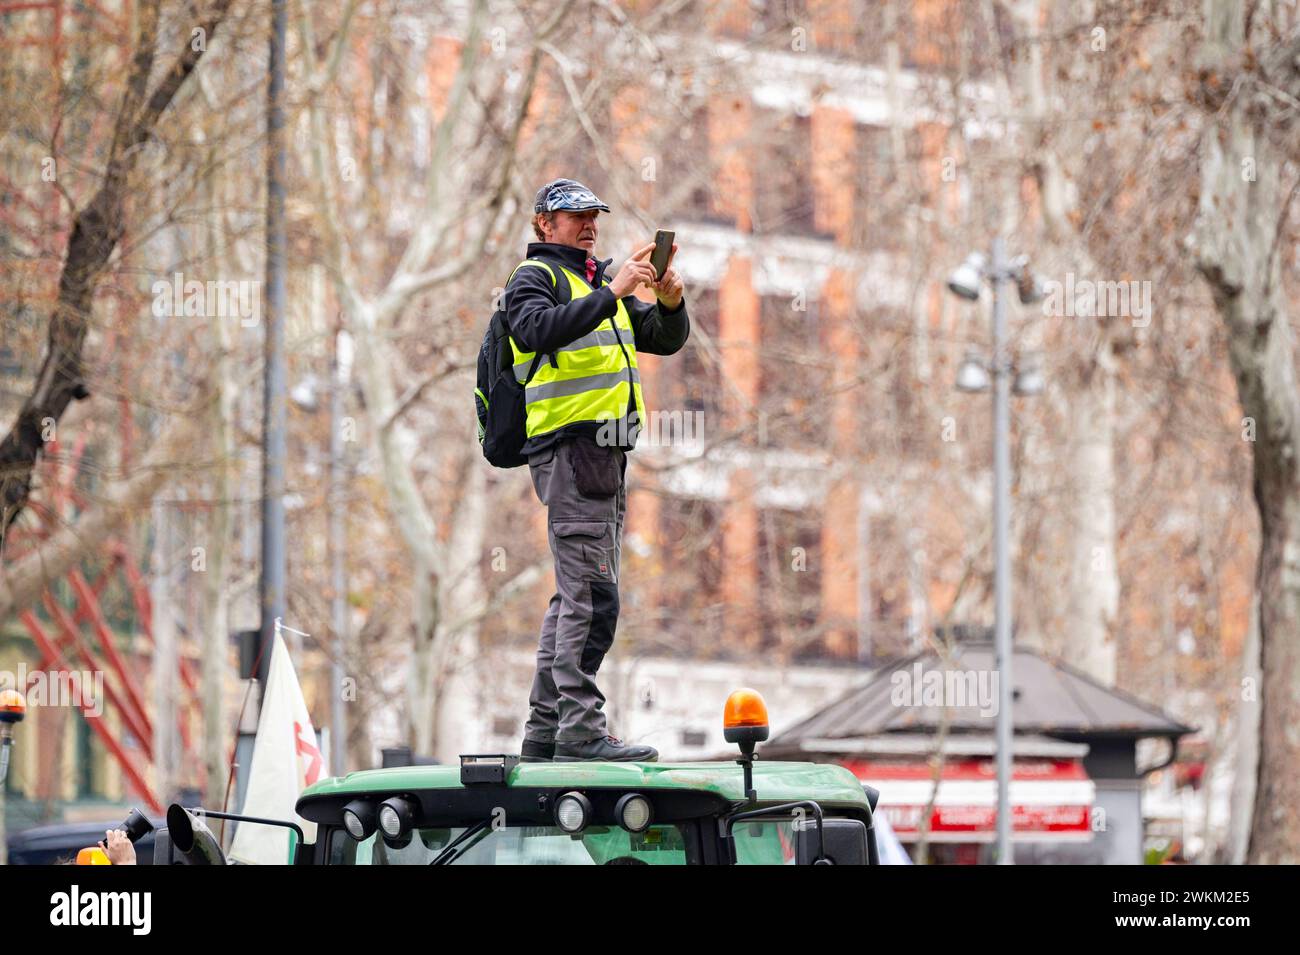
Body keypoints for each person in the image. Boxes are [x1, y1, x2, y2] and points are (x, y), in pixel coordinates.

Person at [508, 178, 689, 762]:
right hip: (570, 453)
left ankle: (544, 732)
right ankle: (582, 732)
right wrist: (613, 291)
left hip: (604, 458)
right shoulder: (535, 279)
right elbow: (536, 329)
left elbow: (662, 338)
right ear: (544, 224)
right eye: (575, 216)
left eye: (593, 216)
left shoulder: (593, 284)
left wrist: (667, 299)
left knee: (574, 598)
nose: (589, 225)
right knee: (592, 598)